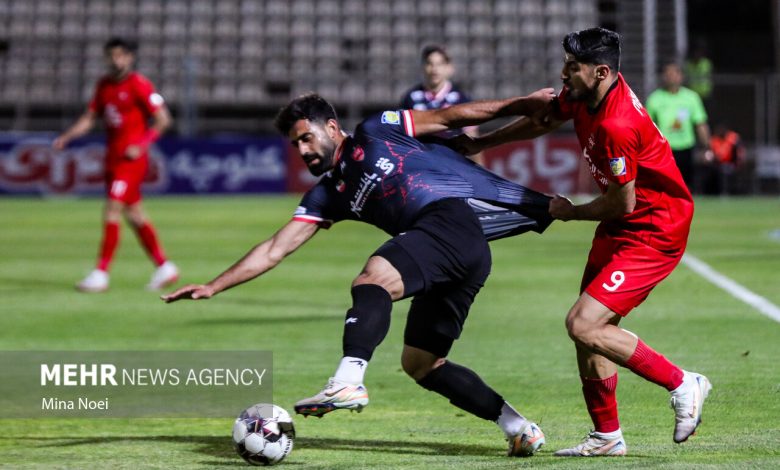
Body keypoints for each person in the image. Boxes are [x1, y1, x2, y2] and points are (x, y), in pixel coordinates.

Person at [162, 91, 558, 456]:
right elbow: (274, 249)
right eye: (296, 144)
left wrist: (520, 103)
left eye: (307, 138)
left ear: (332, 128)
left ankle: (348, 380)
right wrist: (214, 285)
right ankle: (518, 427)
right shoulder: (327, 193)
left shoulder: (376, 131)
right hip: (456, 251)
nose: (303, 150)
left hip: (450, 222)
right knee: (422, 364)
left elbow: (450, 116)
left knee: (372, 280)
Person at [456, 27, 711, 456]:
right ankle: (607, 436)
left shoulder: (616, 125)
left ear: (601, 72)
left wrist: (570, 211)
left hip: (654, 229)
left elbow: (623, 203)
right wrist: (481, 143)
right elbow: (543, 120)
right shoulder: (585, 94)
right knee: (590, 331)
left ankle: (683, 383)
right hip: (623, 224)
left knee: (583, 324)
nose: (564, 73)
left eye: (572, 67)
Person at [53, 37, 178, 293]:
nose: (116, 60)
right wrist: (67, 136)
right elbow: (90, 118)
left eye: (120, 55)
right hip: (113, 158)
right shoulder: (104, 85)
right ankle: (164, 267)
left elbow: (163, 120)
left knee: (112, 208)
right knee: (135, 214)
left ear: (130, 57)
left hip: (131, 161)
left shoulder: (139, 84)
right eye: (111, 55)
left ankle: (101, 273)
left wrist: (142, 144)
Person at [401, 44, 484, 164]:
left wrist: (479, 168)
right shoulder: (410, 98)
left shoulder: (462, 99)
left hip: (452, 163)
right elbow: (403, 138)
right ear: (423, 67)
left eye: (439, 64)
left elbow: (471, 137)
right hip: (421, 163)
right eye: (430, 63)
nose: (434, 69)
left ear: (449, 68)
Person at [645, 62, 712, 191]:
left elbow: (700, 124)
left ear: (681, 76)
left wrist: (706, 147)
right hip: (664, 149)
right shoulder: (655, 99)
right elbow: (647, 127)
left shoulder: (691, 98)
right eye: (668, 74)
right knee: (665, 187)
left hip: (686, 148)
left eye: (674, 73)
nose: (671, 77)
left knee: (686, 186)